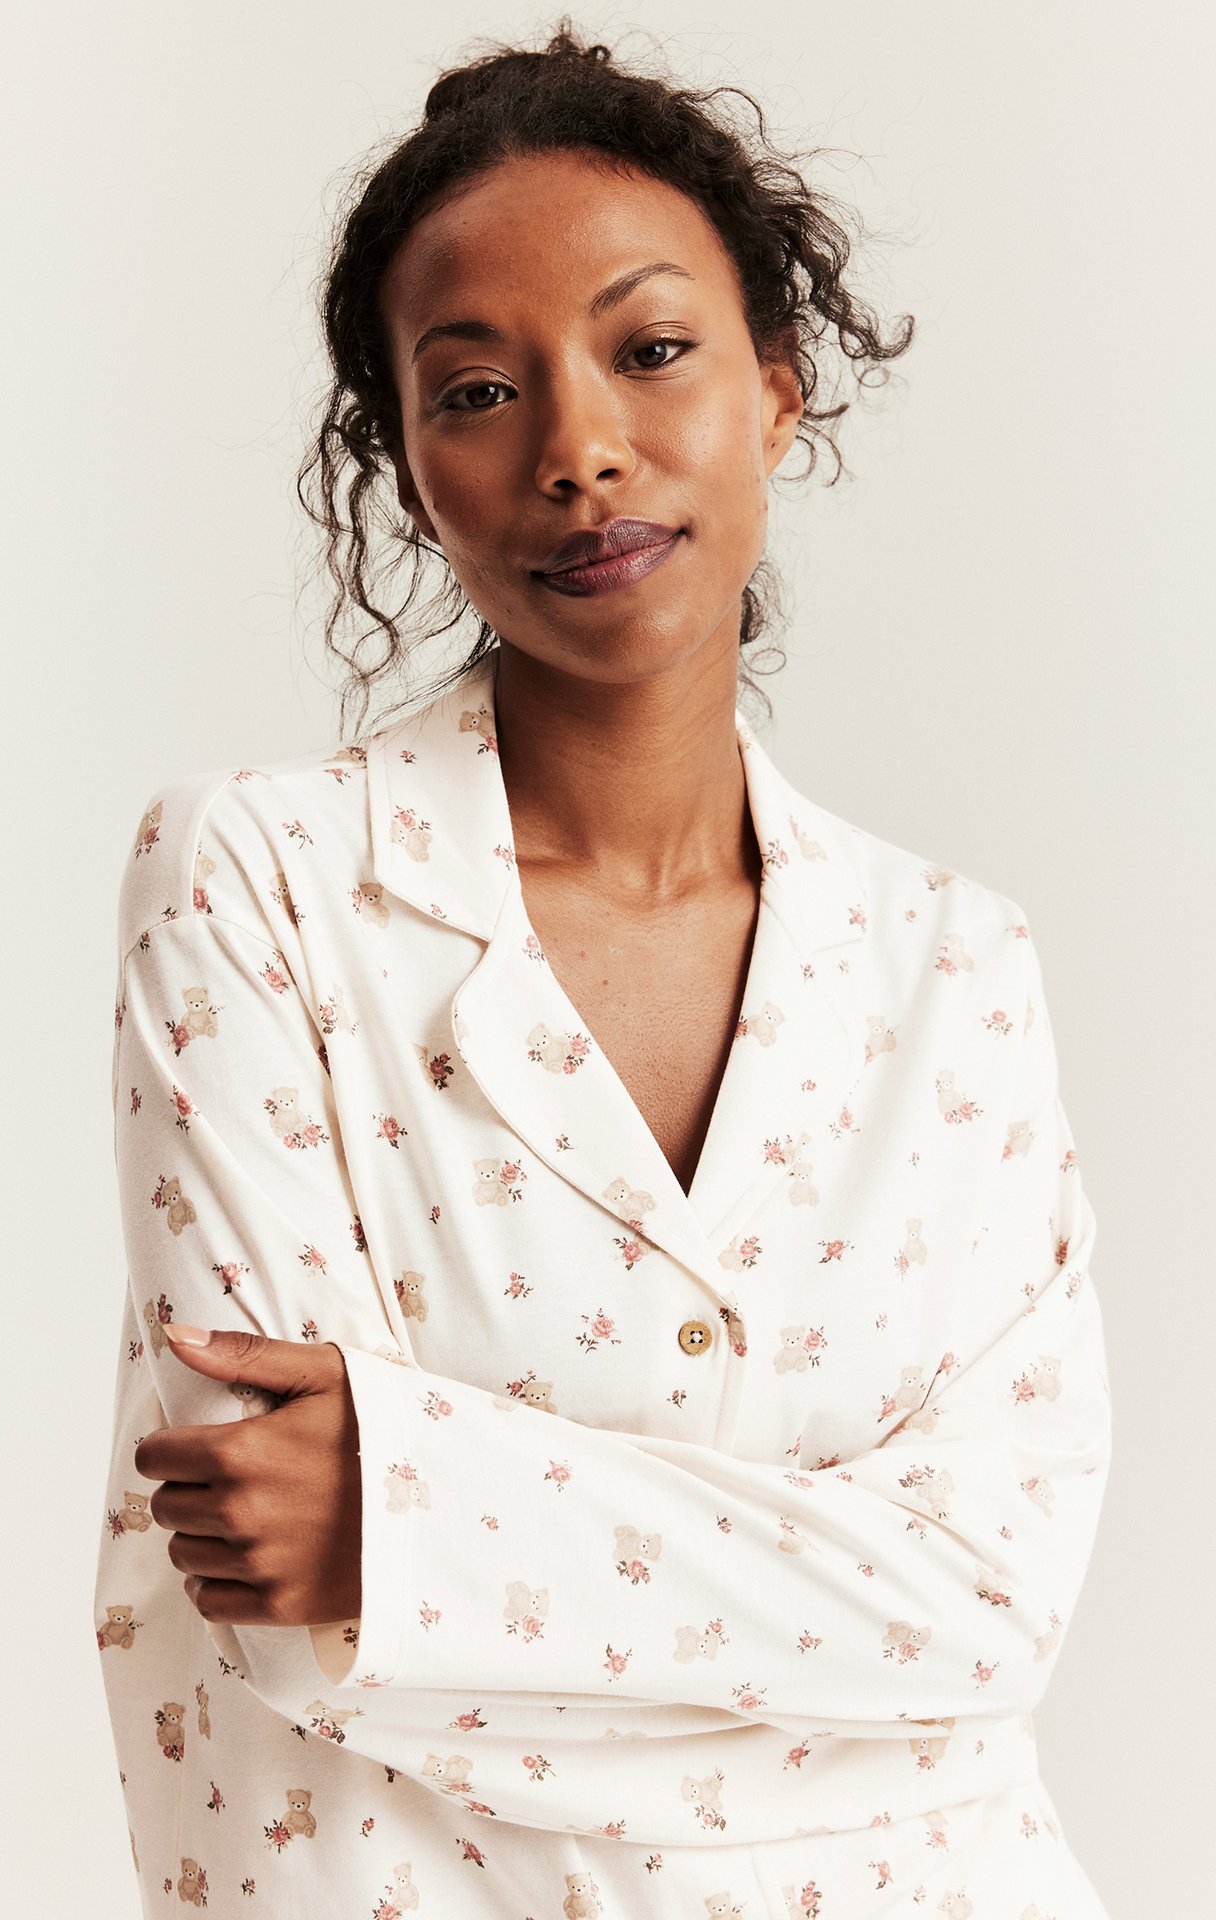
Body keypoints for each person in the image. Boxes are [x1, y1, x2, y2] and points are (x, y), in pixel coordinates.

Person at [93, 19, 1113, 1917]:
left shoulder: (957, 969)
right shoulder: (261, 888)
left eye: (650, 351)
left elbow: (998, 1605)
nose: (578, 451)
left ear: (777, 392)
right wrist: (840, 1657)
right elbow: (277, 1601)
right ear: (409, 468)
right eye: (479, 390)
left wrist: (417, 1520)